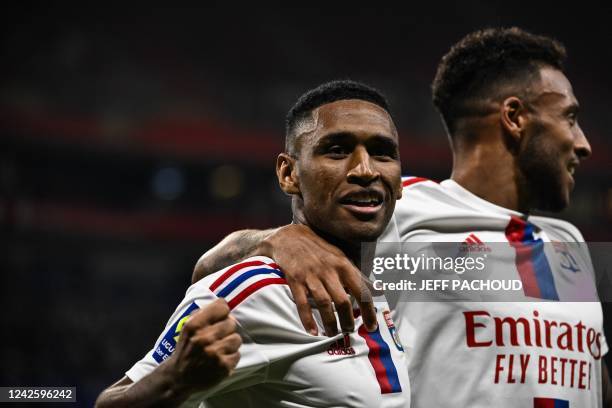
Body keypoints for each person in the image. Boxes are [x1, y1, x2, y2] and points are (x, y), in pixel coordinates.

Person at [192, 28, 611, 407]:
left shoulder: (570, 244)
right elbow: (209, 270)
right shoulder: (402, 207)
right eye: (570, 118)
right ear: (514, 117)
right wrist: (279, 239)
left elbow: (592, 375)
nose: (583, 143)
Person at [97, 80, 410, 407]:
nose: (364, 169)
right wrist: (177, 378)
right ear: (289, 174)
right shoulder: (258, 291)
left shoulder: (396, 270)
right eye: (337, 150)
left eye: (382, 153)